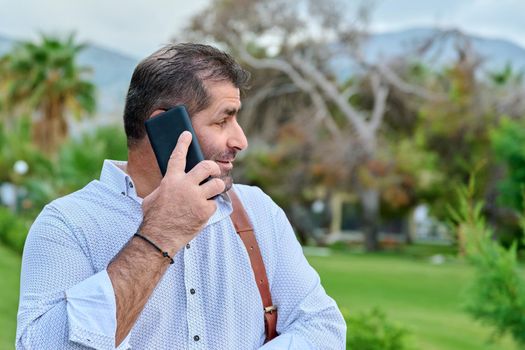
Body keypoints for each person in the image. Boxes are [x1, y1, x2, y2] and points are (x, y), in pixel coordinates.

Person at [16, 43, 346, 349]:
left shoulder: (258, 211)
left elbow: (322, 327)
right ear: (166, 127)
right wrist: (160, 234)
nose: (240, 140)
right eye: (223, 119)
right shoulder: (67, 224)